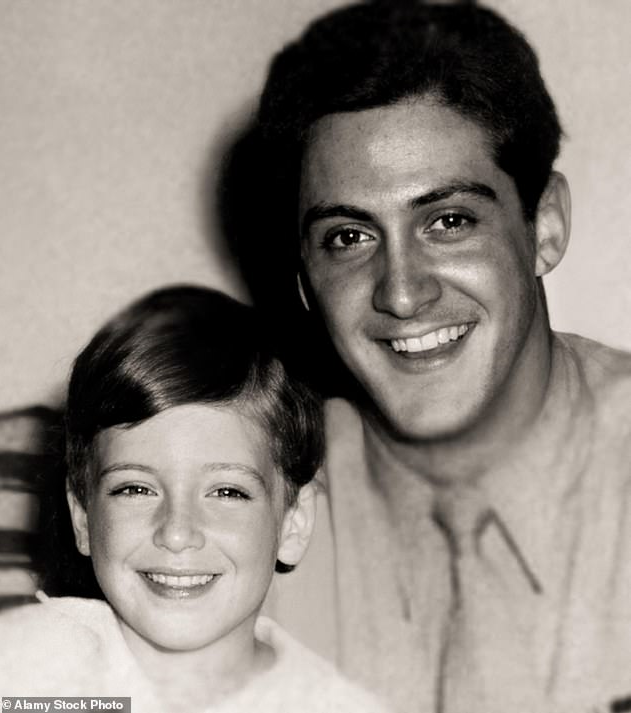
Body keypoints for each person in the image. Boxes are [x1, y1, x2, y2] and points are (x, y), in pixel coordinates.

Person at [228, 2, 631, 712]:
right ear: (303, 283)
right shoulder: (241, 514)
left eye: (449, 221)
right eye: (349, 238)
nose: (403, 294)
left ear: (546, 225)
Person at [0, 286, 390, 713]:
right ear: (82, 518)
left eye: (226, 492)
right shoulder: (26, 672)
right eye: (136, 489)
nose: (177, 533)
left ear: (293, 523)